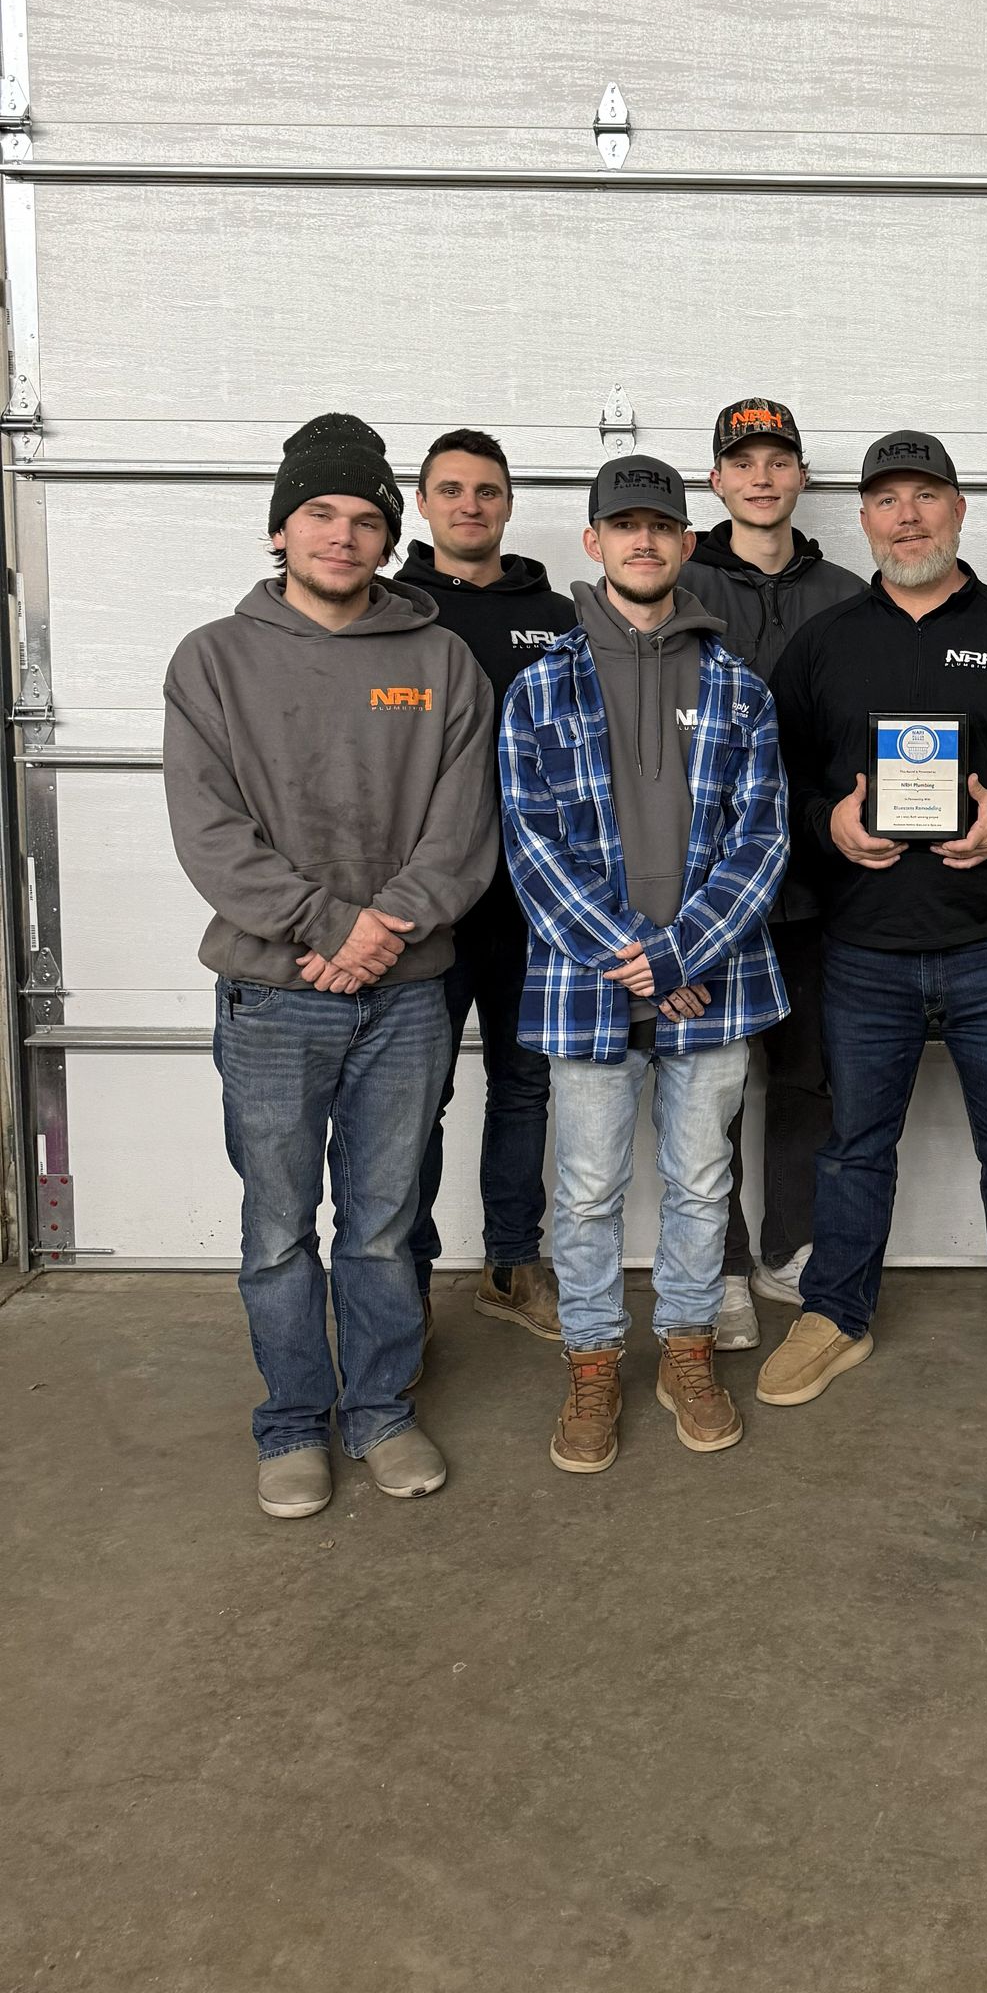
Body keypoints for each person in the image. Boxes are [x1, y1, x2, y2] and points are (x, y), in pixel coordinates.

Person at [163, 414, 498, 1520]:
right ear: (280, 527)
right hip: (273, 995)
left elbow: (463, 830)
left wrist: (382, 929)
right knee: (275, 1225)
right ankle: (294, 1422)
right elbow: (210, 834)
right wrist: (323, 927)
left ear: (389, 538)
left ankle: (381, 1411)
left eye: (366, 520)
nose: (343, 537)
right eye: (321, 514)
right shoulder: (212, 659)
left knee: (386, 1221)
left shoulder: (440, 658)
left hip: (405, 995)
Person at [758, 428, 987, 1421]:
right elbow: (766, 783)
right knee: (852, 1148)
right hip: (864, 949)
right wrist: (825, 822)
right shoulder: (825, 641)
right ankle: (836, 1311)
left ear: (960, 509)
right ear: (864, 518)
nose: (905, 515)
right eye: (885, 500)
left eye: (925, 496)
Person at [498, 453, 790, 1477]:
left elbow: (763, 840)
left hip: (710, 989)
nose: (644, 540)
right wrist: (641, 959)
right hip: (587, 989)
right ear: (593, 543)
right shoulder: (540, 688)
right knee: (582, 1191)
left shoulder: (739, 690)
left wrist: (680, 955)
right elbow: (532, 845)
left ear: (687, 541)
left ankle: (687, 1350)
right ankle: (590, 1362)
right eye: (623, 526)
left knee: (702, 1181)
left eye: (661, 525)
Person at [680, 398, 863, 1349]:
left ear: (799, 477)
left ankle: (789, 1246)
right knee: (708, 1087)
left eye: (777, 459)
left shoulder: (845, 591)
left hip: (818, 886)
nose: (760, 476)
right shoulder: (676, 584)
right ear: (717, 479)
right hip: (705, 893)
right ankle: (717, 1265)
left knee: (807, 1078)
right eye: (741, 461)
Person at [396, 428, 573, 1347]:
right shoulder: (389, 612)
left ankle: (512, 1262)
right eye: (452, 489)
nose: (471, 504)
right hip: (424, 909)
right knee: (415, 1097)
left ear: (507, 505)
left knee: (524, 1087)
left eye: (489, 491)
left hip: (535, 908)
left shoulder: (556, 613)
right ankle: (408, 1281)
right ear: (421, 504)